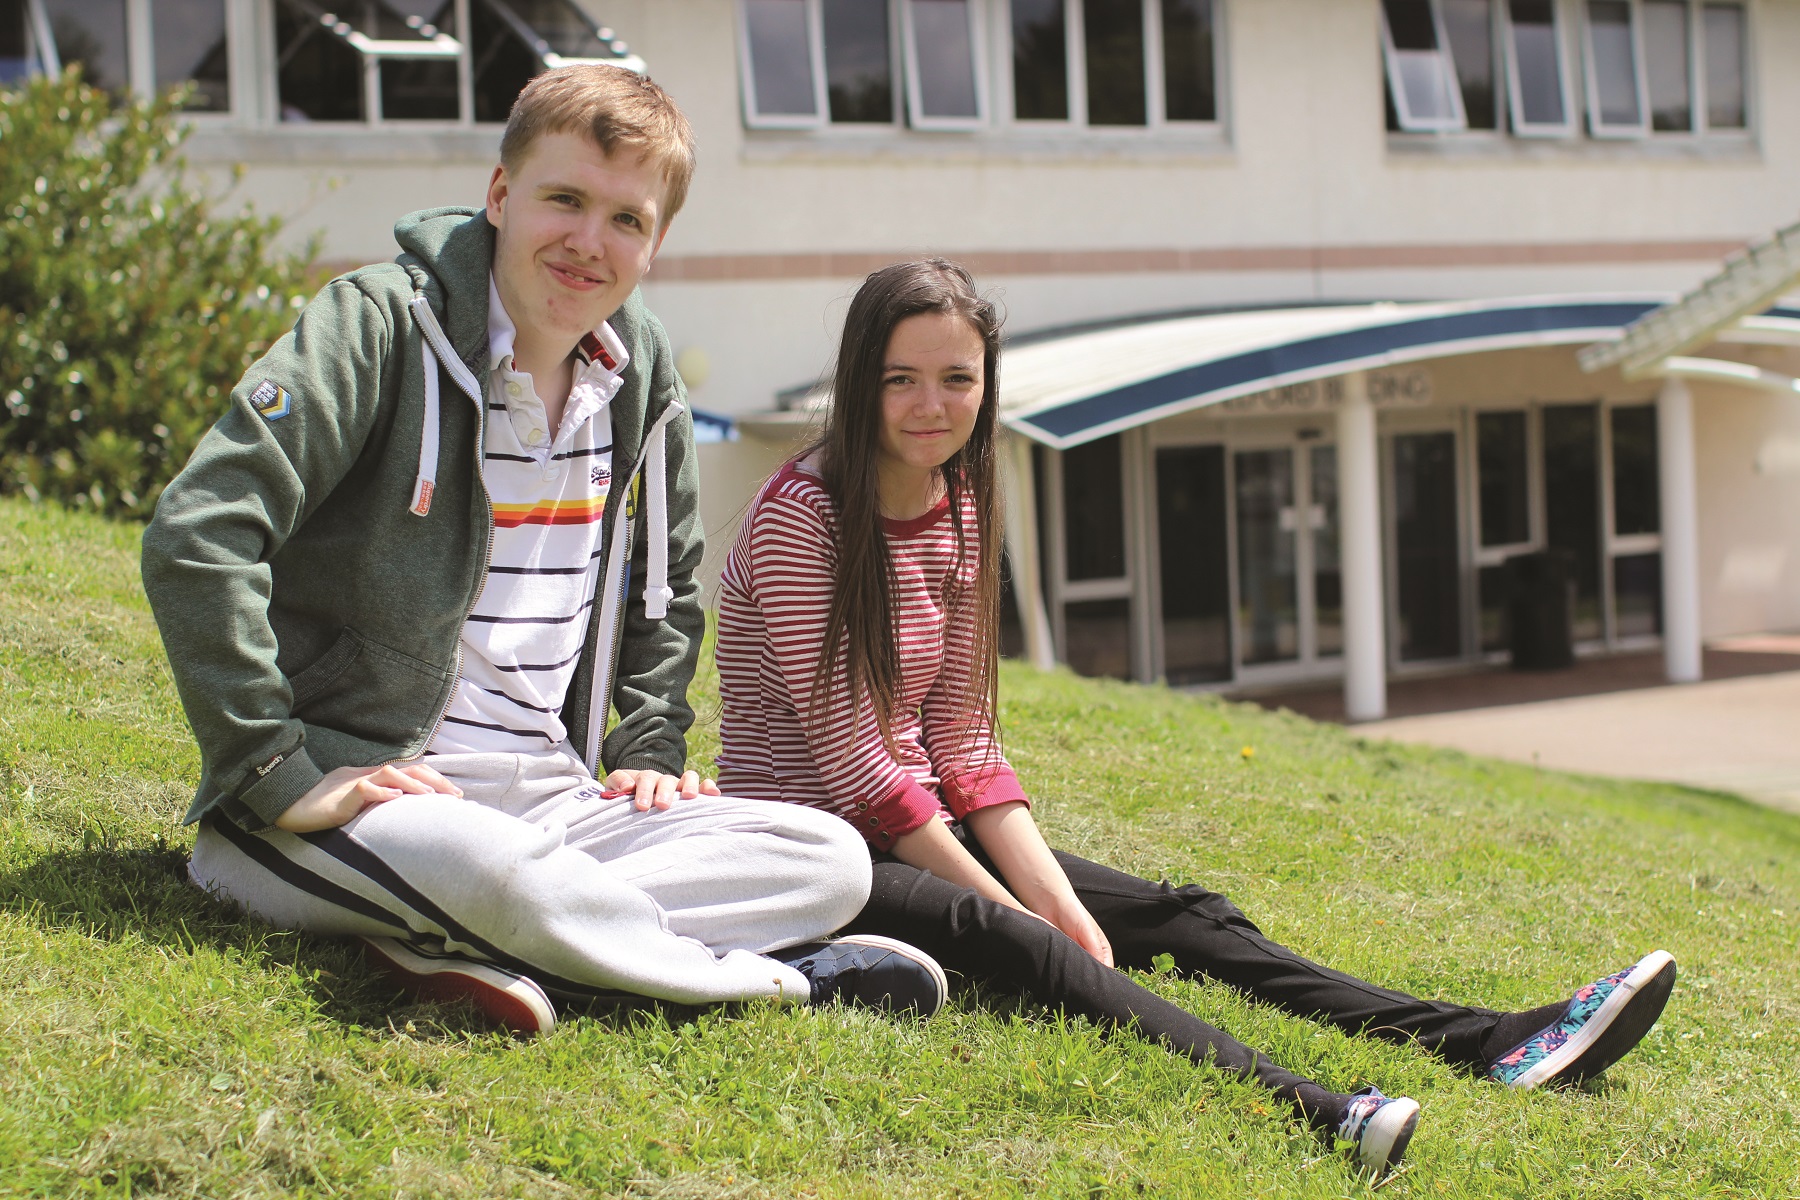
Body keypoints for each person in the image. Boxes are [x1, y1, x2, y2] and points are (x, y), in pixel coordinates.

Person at [711, 259, 1678, 1178]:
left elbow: (964, 740)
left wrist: (1058, 900)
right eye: (901, 380)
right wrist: (1024, 917)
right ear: (858, 382)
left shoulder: (959, 504)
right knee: (1030, 946)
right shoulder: (806, 519)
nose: (932, 406)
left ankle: (1488, 1040)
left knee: (1179, 917)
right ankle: (1325, 1111)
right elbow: (857, 771)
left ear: (986, 383)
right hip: (818, 848)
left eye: (957, 378)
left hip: (920, 821)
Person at [141, 66, 946, 1038]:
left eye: (626, 220)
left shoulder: (642, 376)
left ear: (655, 244)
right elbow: (201, 527)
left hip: (556, 797)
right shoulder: (378, 326)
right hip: (363, 791)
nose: (587, 242)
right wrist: (278, 770)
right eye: (564, 199)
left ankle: (462, 938)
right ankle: (782, 982)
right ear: (500, 193)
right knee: (493, 872)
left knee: (829, 858)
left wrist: (647, 748)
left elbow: (666, 588)